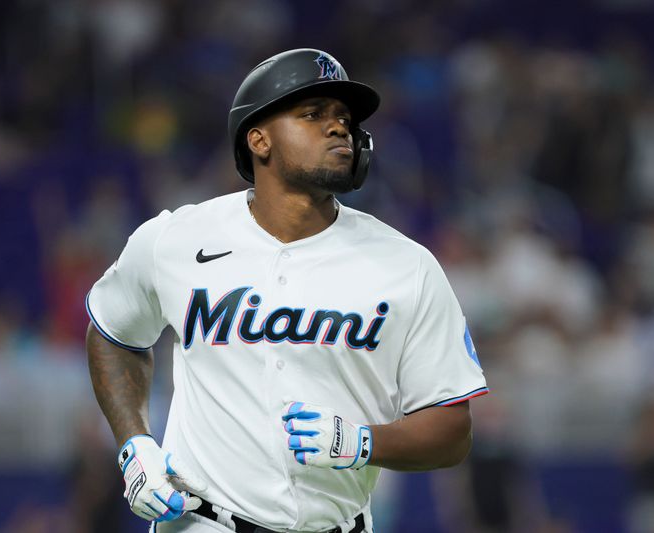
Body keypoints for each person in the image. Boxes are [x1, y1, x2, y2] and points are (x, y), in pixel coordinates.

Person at [85, 48, 488, 533]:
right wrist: (134, 445)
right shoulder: (177, 239)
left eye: (344, 117)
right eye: (313, 114)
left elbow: (452, 431)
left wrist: (360, 443)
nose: (338, 127)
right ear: (259, 139)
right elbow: (112, 332)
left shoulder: (407, 266)